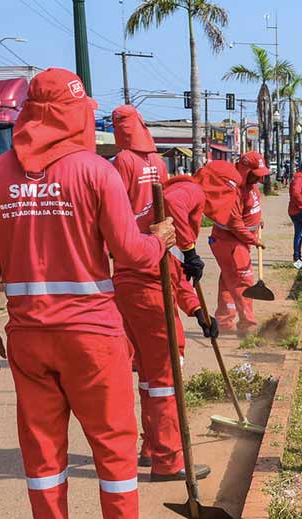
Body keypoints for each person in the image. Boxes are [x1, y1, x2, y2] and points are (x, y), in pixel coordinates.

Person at [0, 68, 178, 519]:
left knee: (42, 457)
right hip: (91, 334)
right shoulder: (95, 172)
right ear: (77, 114)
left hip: (29, 337)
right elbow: (130, 252)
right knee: (114, 451)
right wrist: (162, 242)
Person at [109, 105, 211, 482]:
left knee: (151, 375)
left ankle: (152, 447)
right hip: (146, 270)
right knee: (166, 372)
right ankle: (169, 462)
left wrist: (199, 309)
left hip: (129, 271)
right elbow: (170, 258)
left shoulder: (119, 163)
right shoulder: (158, 165)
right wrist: (188, 251)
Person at [205, 154, 265, 334]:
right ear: (245, 171)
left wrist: (257, 223)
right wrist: (254, 240)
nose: (260, 178)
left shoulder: (251, 186)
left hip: (239, 241)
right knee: (243, 281)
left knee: (228, 280)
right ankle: (248, 326)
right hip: (229, 241)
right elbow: (235, 224)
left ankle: (224, 322)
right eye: (256, 174)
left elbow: (249, 211)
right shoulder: (234, 190)